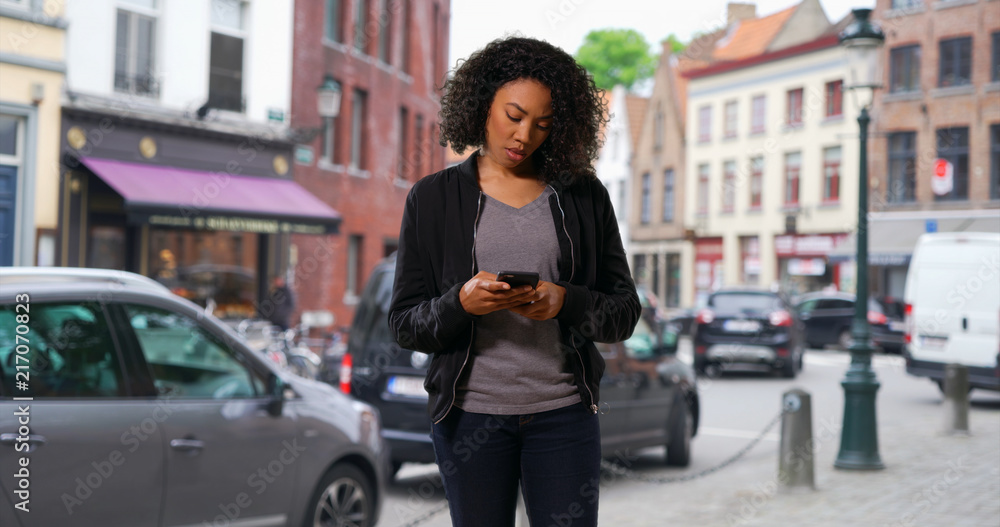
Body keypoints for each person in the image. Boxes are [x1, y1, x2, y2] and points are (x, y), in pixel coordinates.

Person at [388, 36, 641, 527]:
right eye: (514, 114)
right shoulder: (433, 199)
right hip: (470, 419)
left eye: (543, 124)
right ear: (483, 105)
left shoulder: (585, 195)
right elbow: (404, 324)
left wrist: (565, 301)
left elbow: (624, 312)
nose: (525, 135)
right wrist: (461, 303)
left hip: (564, 416)